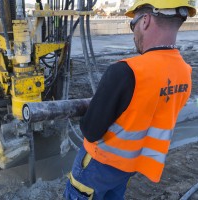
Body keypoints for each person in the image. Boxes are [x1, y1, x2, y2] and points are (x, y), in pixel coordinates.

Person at [64, 0, 196, 199]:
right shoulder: (185, 73)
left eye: (132, 24)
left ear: (145, 21)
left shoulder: (126, 71)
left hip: (98, 166)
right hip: (129, 167)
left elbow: (90, 131)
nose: (133, 33)